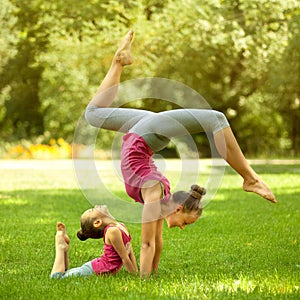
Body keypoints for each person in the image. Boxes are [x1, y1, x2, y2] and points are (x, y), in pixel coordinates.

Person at [84, 29, 277, 277]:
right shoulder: (155, 193)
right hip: (146, 133)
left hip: (143, 135)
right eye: (186, 222)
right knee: (216, 119)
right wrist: (144, 281)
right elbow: (147, 244)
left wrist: (149, 277)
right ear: (177, 209)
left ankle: (118, 61)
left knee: (93, 114)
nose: (183, 228)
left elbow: (155, 242)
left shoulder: (156, 197)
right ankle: (249, 178)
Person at [50, 205, 138, 278]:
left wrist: (136, 272)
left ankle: (64, 249)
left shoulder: (121, 226)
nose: (96, 206)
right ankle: (60, 247)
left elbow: (129, 251)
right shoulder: (112, 232)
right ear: (97, 222)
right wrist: (134, 276)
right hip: (96, 269)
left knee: (66, 275)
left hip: (97, 266)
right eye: (92, 210)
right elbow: (124, 257)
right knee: (56, 278)